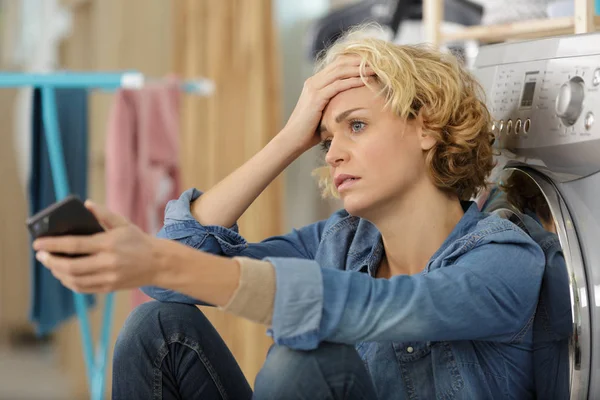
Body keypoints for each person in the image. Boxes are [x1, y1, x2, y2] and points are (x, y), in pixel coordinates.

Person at [32, 29, 546, 399]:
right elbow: (173, 290)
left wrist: (154, 260)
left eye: (357, 126)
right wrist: (286, 139)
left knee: (305, 359)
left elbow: (370, 305)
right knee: (156, 325)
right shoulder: (340, 242)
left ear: (427, 126)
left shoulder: (504, 259)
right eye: (324, 140)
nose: (333, 153)